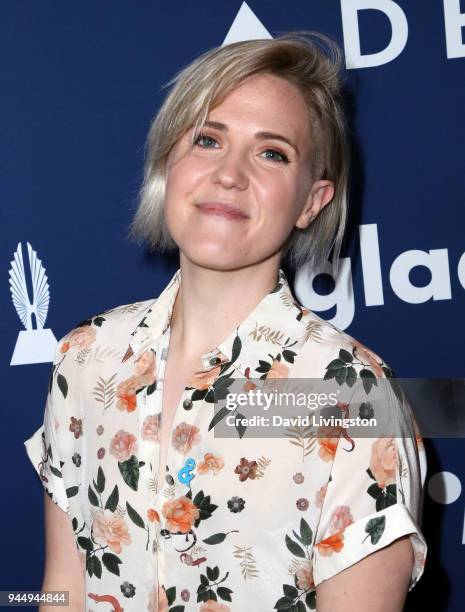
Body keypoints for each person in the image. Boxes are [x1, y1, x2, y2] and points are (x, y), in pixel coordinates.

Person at [24, 31, 427, 611]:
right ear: (171, 165)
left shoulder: (351, 396)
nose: (230, 174)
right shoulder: (85, 358)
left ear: (312, 202)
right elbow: (62, 594)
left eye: (272, 152)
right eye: (208, 139)